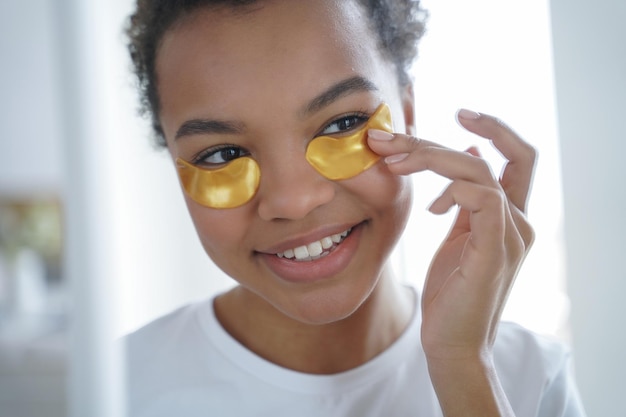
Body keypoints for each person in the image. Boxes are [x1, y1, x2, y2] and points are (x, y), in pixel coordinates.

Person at [124, 1, 586, 416]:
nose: (293, 200)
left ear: (407, 111)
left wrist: (463, 365)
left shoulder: (531, 379)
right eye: (222, 155)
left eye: (343, 123)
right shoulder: (113, 392)